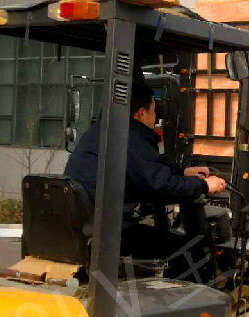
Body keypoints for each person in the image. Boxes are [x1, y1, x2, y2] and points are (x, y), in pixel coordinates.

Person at [64, 83, 227, 264]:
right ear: (142, 114)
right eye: (154, 111)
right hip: (110, 234)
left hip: (85, 227)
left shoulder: (102, 132)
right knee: (191, 251)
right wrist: (204, 185)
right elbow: (159, 185)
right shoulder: (129, 138)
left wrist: (182, 172)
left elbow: (144, 168)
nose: (156, 117)